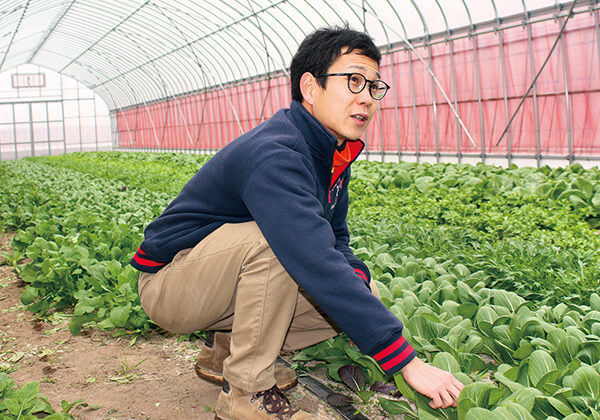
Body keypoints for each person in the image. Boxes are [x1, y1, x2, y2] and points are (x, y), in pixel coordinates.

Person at [131, 25, 464, 420]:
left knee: (362, 289)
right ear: (310, 87)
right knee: (277, 245)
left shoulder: (329, 151)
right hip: (171, 283)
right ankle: (246, 395)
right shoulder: (278, 154)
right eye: (354, 81)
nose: (367, 98)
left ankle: (224, 351)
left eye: (375, 86)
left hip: (213, 280)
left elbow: (335, 238)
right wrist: (407, 362)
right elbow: (314, 258)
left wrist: (358, 286)